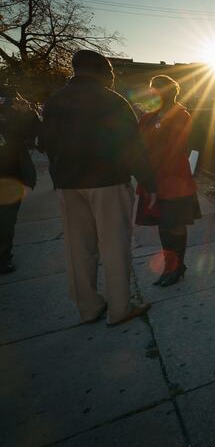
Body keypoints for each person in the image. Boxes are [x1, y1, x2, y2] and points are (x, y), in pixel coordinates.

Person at [42, 50, 156, 326]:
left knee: (78, 248)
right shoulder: (113, 101)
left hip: (68, 184)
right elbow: (132, 145)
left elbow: (46, 143)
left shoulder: (54, 101)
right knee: (114, 244)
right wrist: (148, 181)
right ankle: (120, 308)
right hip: (108, 181)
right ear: (104, 71)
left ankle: (88, 307)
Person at [135, 75, 201, 287]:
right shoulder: (147, 117)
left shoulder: (181, 115)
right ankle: (170, 265)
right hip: (153, 177)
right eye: (155, 89)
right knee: (162, 225)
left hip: (174, 179)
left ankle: (177, 265)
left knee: (175, 224)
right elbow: (139, 143)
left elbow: (176, 146)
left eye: (162, 89)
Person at [0, 91, 41, 274]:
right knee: (5, 221)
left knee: (6, 221)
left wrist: (28, 113)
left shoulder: (12, 119)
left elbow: (36, 132)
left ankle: (3, 257)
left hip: (10, 179)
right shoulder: (9, 119)